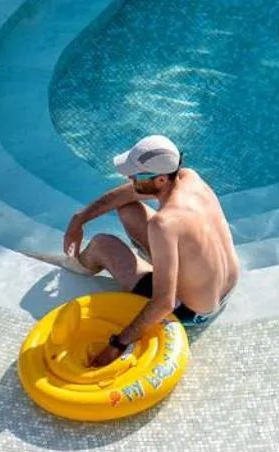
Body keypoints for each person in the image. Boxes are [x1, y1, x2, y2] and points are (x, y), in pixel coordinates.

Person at [51, 135, 239, 367]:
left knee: (102, 244)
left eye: (136, 175)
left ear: (160, 180)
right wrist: (79, 219)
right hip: (225, 288)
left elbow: (164, 304)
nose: (130, 178)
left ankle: (80, 263)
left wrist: (116, 345)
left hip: (194, 311)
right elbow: (128, 194)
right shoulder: (189, 178)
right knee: (128, 209)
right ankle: (158, 264)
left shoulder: (165, 224)